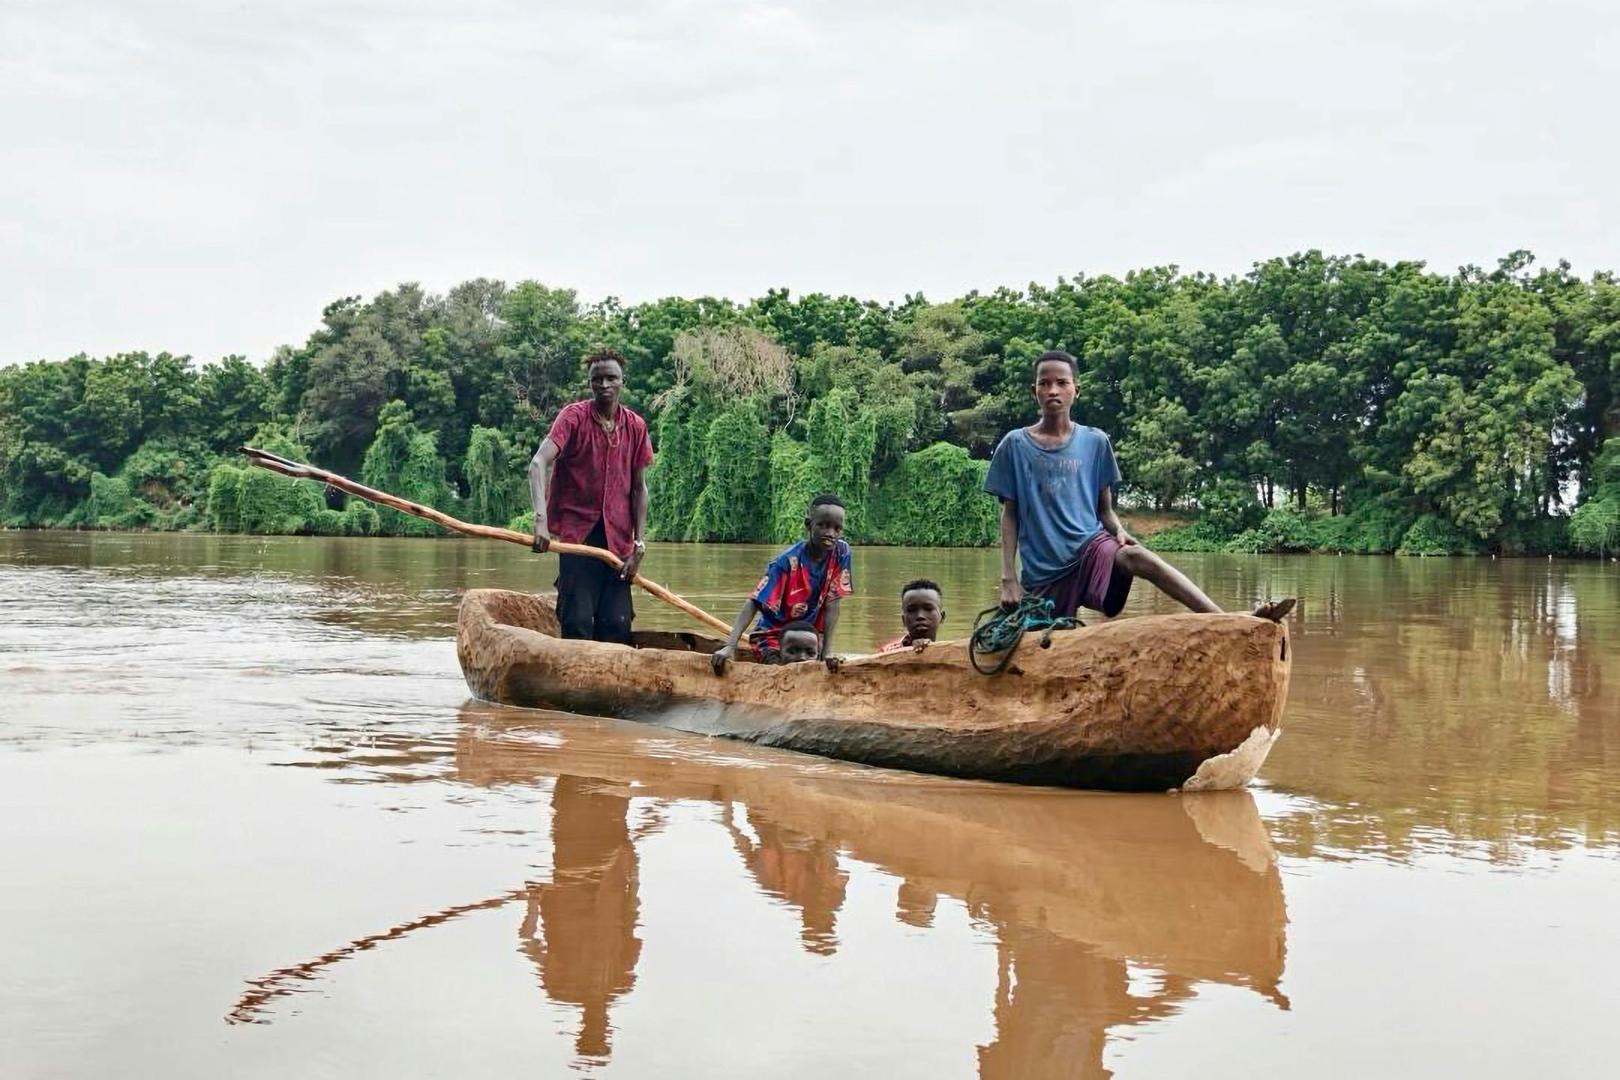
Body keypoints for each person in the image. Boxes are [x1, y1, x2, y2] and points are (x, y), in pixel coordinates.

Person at [985, 350, 1294, 623]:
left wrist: (1119, 531)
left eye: (1062, 382)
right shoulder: (1015, 445)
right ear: (1034, 391)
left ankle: (1229, 620)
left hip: (1090, 549)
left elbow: (1104, 510)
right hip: (1043, 571)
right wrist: (1008, 577)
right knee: (1040, 640)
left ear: (1076, 390)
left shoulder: (1095, 442)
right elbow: (1010, 514)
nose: (1053, 390)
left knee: (1137, 557)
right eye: (1044, 383)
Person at [528, 349, 655, 644]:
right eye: (597, 379)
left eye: (611, 378)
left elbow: (639, 489)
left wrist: (638, 544)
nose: (604, 385)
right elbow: (538, 464)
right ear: (589, 383)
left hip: (618, 544)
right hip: (578, 539)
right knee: (578, 621)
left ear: (622, 381)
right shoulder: (573, 418)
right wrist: (540, 521)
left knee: (617, 625)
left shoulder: (635, 427)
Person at [710, 493, 852, 672]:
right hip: (775, 636)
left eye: (837, 528)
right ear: (809, 525)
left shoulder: (841, 552)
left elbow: (833, 603)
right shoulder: (786, 562)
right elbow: (754, 602)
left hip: (810, 637)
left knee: (822, 668)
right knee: (779, 672)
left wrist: (827, 651)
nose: (830, 533)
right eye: (822, 525)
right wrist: (730, 646)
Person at [879, 579, 945, 653]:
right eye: (911, 610)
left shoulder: (949, 652)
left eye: (928, 609)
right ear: (903, 620)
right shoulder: (888, 653)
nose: (920, 616)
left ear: (942, 617)